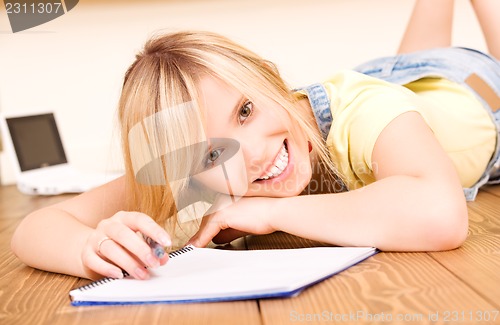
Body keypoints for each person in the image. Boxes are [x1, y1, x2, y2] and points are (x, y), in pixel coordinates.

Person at [10, 0, 500, 281]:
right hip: (400, 86)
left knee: (435, 73)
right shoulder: (203, 181)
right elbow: (34, 229)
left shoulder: (361, 113)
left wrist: (266, 211)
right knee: (409, 72)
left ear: (271, 78)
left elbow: (439, 214)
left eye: (245, 110)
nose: (256, 152)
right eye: (211, 152)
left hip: (473, 91)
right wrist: (85, 246)